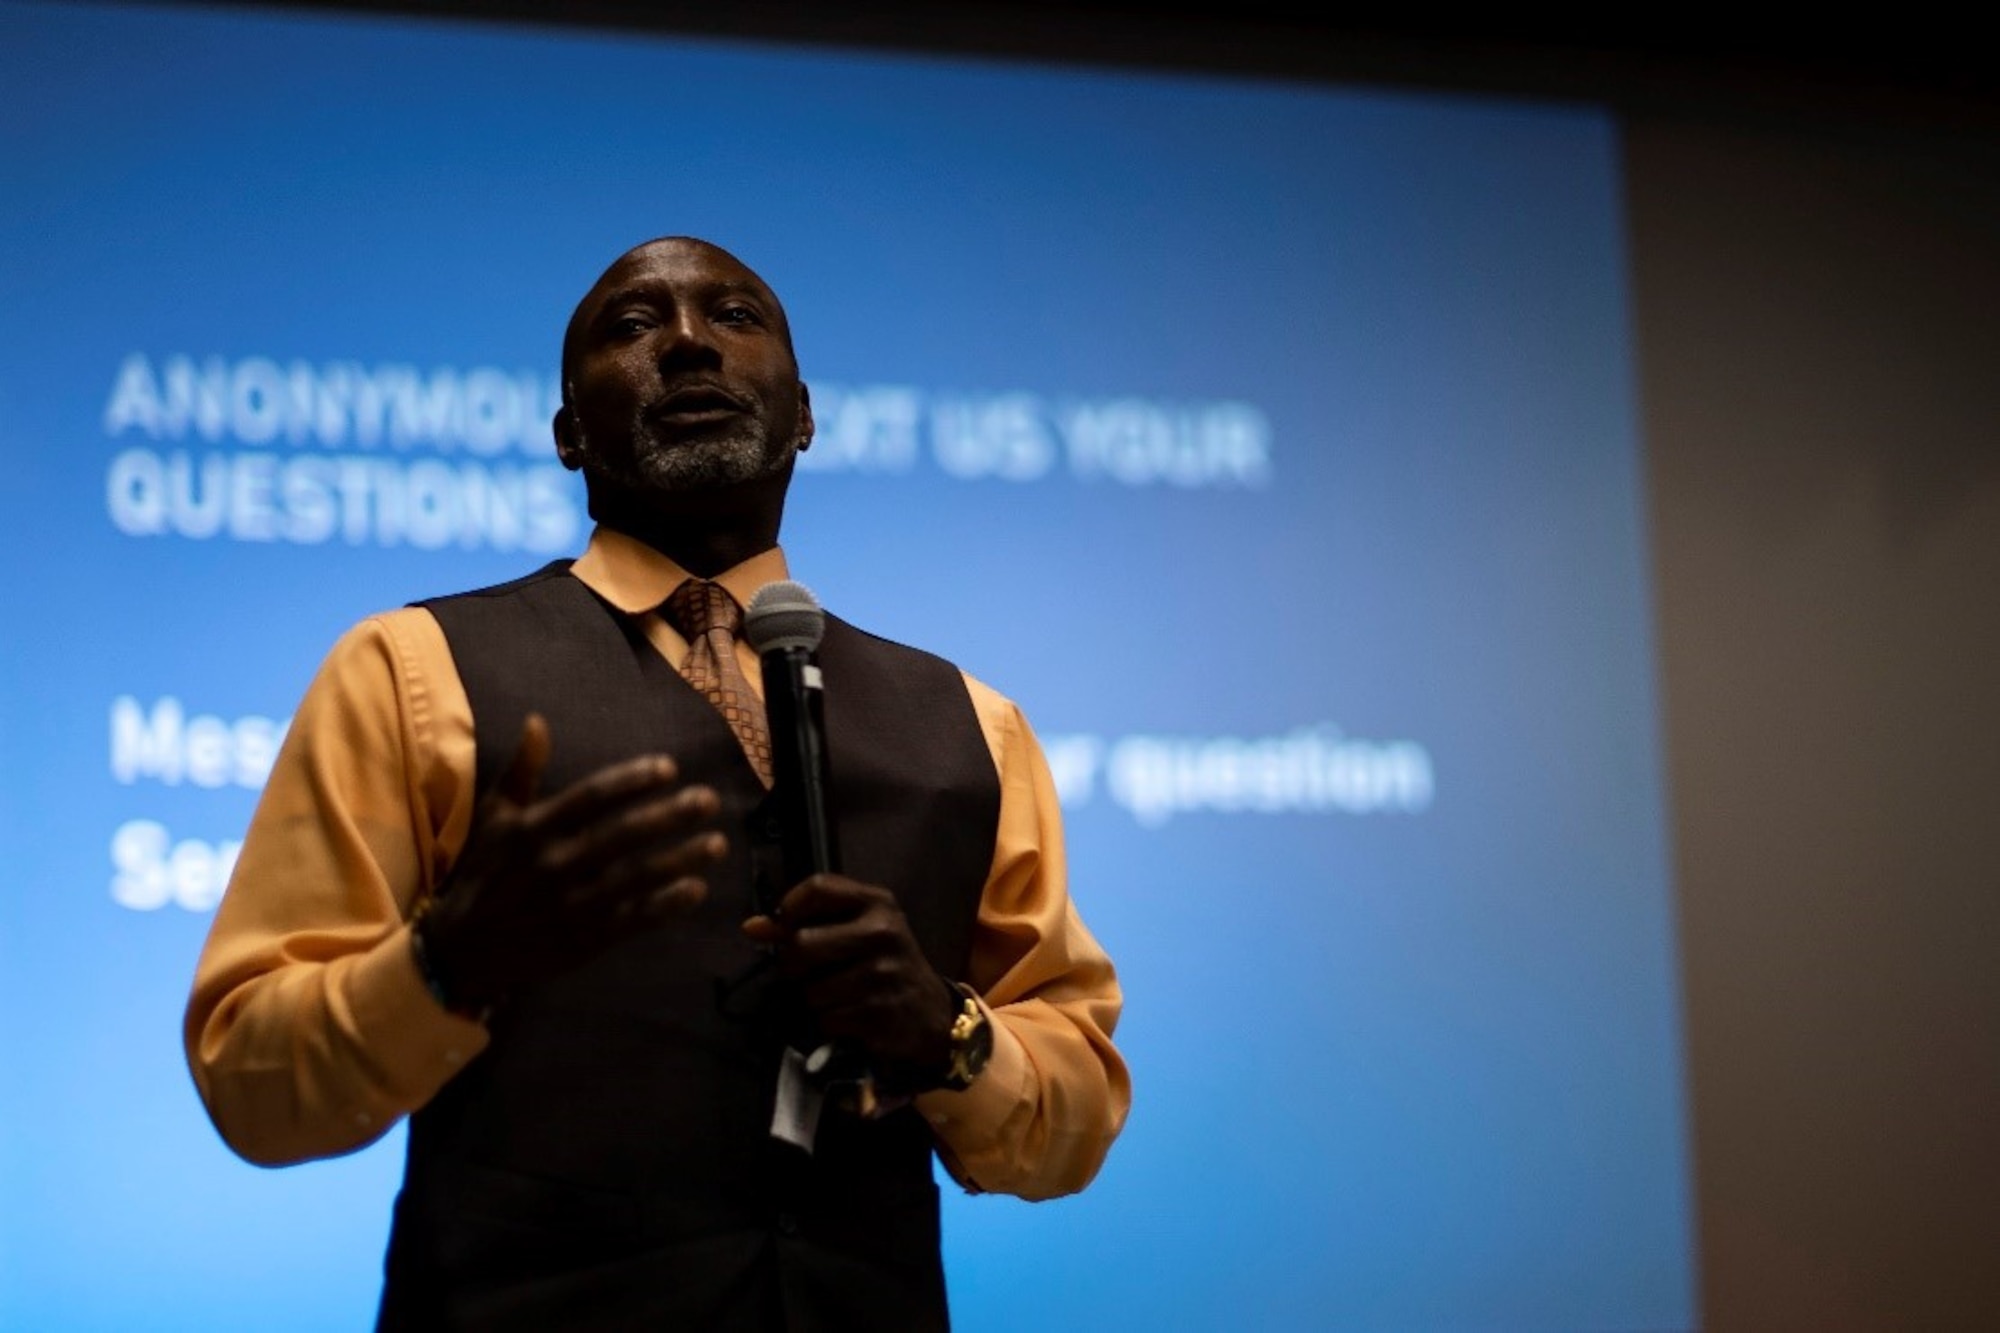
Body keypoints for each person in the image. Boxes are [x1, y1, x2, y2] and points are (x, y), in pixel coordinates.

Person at [183, 236, 1129, 1331]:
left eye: (733, 316)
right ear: (567, 433)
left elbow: (1077, 1119)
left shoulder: (972, 722)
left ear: (806, 413)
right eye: (631, 327)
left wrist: (945, 1035)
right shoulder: (409, 670)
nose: (685, 344)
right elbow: (251, 1081)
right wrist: (446, 963)